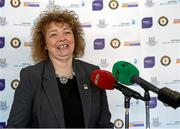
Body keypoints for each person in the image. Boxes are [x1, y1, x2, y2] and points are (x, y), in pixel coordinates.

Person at [7, 6, 113, 128]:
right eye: (53, 34)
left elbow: (104, 124)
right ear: (44, 44)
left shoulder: (93, 73)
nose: (62, 38)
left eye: (67, 32)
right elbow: (15, 126)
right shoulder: (31, 76)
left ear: (75, 38)